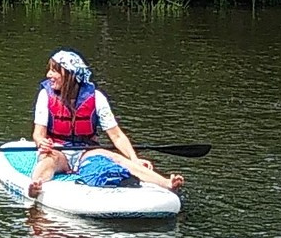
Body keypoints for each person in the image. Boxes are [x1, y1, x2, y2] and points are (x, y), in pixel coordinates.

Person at [29, 48, 181, 194]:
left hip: (86, 151)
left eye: (54, 71)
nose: (49, 75)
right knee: (49, 161)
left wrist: (134, 158)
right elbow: (38, 134)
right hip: (58, 150)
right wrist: (42, 142)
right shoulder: (45, 95)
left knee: (116, 158)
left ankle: (167, 183)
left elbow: (117, 136)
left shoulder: (97, 98)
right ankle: (36, 185)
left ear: (70, 74)